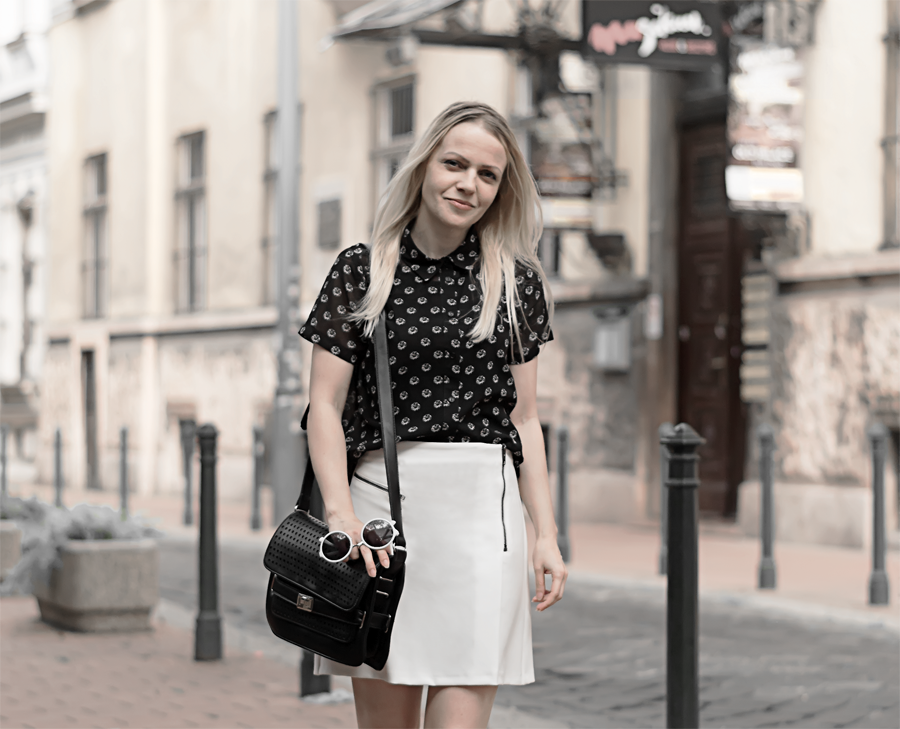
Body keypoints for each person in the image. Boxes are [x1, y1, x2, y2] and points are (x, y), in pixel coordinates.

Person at [299, 100, 567, 729]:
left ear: (501, 190)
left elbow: (525, 420)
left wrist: (546, 534)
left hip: (482, 519)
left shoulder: (515, 281)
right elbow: (324, 406)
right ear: (423, 166)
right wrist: (339, 514)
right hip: (380, 524)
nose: (467, 184)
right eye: (454, 163)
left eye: (487, 174)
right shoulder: (362, 270)